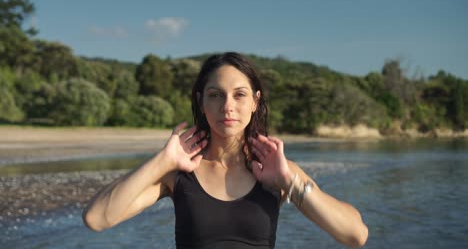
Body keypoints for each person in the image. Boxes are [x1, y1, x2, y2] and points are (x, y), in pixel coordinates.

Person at [82, 52, 368, 248]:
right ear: (201, 100)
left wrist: (291, 183)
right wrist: (162, 161)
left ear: (255, 101)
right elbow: (97, 218)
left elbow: (356, 235)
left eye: (239, 95)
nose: (227, 106)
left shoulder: (275, 172)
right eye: (215, 95)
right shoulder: (179, 175)